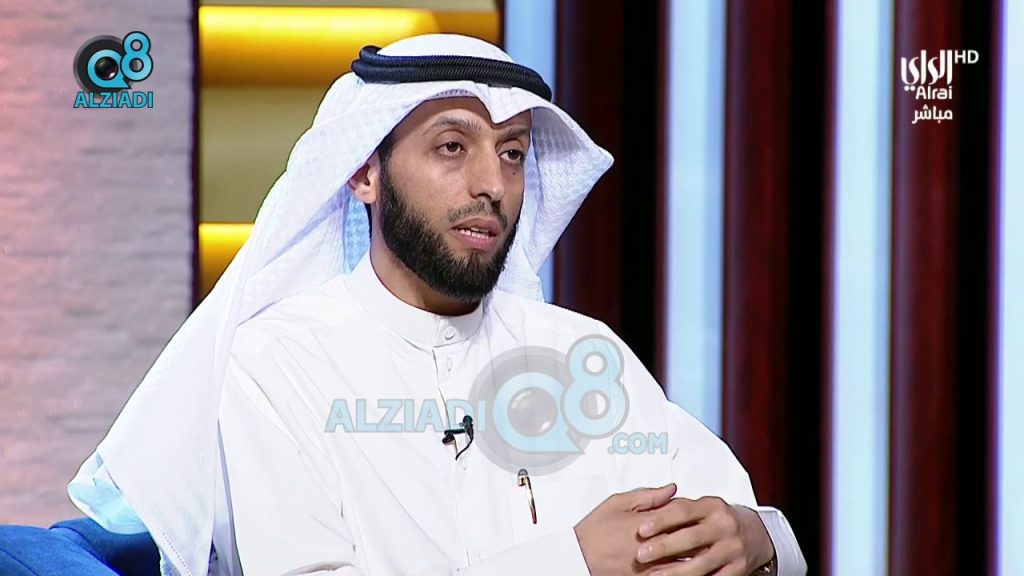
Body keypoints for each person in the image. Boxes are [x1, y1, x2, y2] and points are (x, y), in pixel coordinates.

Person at [68, 34, 806, 576]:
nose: (493, 184)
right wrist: (573, 562)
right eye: (453, 147)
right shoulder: (274, 364)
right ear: (364, 173)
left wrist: (757, 538)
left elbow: (744, 521)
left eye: (512, 153)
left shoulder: (581, 350)